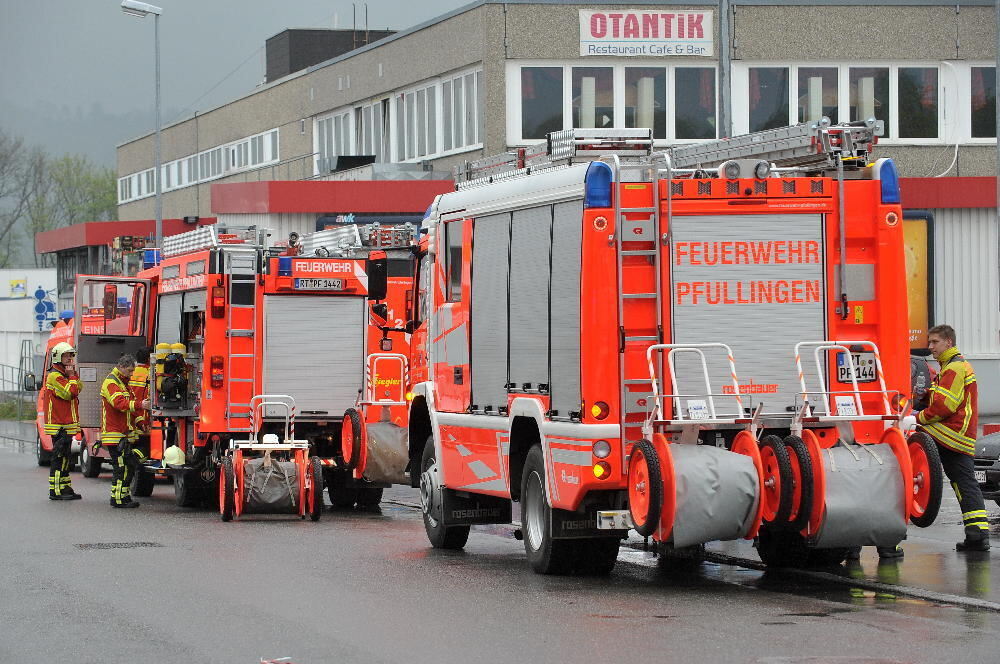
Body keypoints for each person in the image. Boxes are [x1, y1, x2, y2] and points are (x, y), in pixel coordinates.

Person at [916, 324, 989, 552]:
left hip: (950, 433)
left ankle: (889, 541)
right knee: (964, 483)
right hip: (958, 435)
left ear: (948, 342)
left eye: (935, 342)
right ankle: (977, 535)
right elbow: (941, 398)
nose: (930, 347)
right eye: (929, 342)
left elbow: (944, 406)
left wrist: (916, 417)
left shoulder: (954, 368)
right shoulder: (951, 366)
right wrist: (926, 396)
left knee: (908, 455)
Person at [101, 354, 150, 508]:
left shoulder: (124, 383)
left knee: (128, 466)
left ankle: (124, 496)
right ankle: (117, 499)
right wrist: (141, 404)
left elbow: (131, 409)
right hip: (115, 434)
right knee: (121, 467)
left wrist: (141, 422)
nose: (131, 374)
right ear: (121, 367)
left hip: (123, 433)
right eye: (129, 370)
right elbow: (120, 404)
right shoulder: (111, 382)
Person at [44, 342, 82, 501]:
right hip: (58, 424)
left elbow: (79, 387)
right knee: (59, 458)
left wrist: (73, 376)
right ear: (58, 357)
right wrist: (72, 376)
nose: (70, 358)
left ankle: (65, 487)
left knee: (66, 458)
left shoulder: (65, 374)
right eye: (66, 355)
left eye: (71, 355)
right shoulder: (55, 376)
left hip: (66, 424)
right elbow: (70, 393)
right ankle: (55, 490)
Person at [127, 346, 153, 448]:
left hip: (130, 418)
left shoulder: (129, 373)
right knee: (143, 449)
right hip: (144, 420)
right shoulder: (151, 373)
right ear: (149, 359)